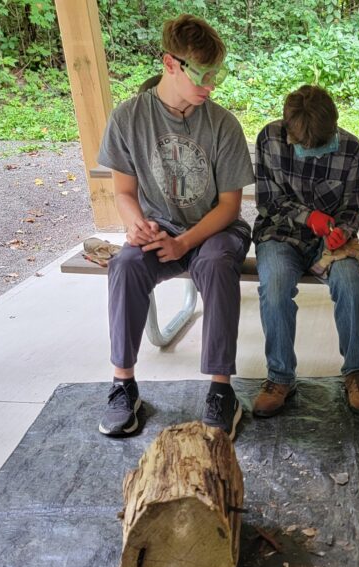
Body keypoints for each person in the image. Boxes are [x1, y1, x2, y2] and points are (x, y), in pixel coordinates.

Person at [96, 14, 254, 437]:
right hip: (159, 229)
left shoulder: (222, 124)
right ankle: (123, 385)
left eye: (215, 75)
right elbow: (125, 193)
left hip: (214, 231)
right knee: (125, 265)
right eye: (203, 76)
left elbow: (229, 208)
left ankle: (222, 390)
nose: (211, 86)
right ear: (170, 64)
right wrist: (136, 226)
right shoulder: (128, 118)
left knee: (219, 264)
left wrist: (185, 242)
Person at [250, 85, 359, 417]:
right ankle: (280, 377)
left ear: (334, 126)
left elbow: (353, 209)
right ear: (287, 128)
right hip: (281, 232)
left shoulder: (351, 150)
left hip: (330, 238)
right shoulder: (269, 139)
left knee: (350, 282)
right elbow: (268, 203)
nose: (312, 152)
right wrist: (309, 217)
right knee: (274, 288)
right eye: (303, 146)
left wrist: (342, 232)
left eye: (320, 146)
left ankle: (356, 371)